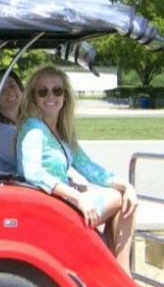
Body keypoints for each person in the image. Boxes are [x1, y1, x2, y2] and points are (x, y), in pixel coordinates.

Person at [16, 65, 138, 274]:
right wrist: (77, 197)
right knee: (119, 199)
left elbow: (88, 166)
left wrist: (126, 185)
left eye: (57, 90)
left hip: (58, 201)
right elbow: (33, 172)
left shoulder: (60, 134)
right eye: (43, 91)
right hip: (48, 205)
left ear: (65, 97)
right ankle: (122, 273)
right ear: (33, 97)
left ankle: (114, 270)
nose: (50, 96)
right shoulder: (34, 129)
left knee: (124, 196)